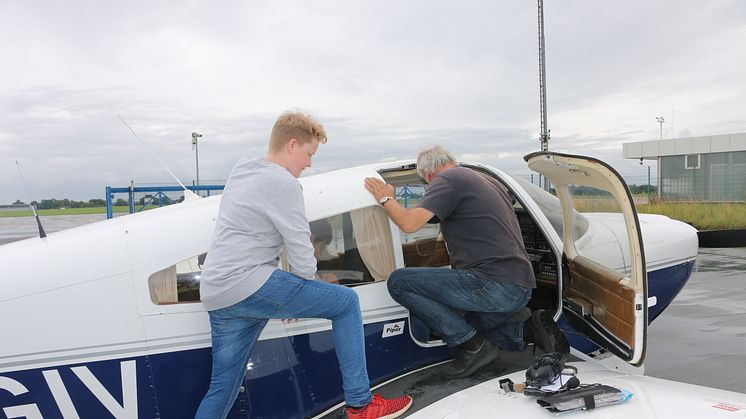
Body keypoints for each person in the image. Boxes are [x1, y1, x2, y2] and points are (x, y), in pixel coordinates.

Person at [196, 110, 412, 419]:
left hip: (218, 293)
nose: (309, 163)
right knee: (347, 303)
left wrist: (293, 298)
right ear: (293, 145)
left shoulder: (243, 168)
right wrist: (301, 290)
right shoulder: (282, 182)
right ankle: (361, 406)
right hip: (249, 283)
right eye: (309, 153)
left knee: (222, 386)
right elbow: (299, 249)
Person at [364, 145, 568, 380]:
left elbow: (409, 224)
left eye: (427, 184)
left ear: (428, 175)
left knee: (399, 282)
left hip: (493, 283)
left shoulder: (448, 178)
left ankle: (473, 348)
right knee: (464, 328)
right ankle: (529, 330)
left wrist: (385, 198)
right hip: (518, 288)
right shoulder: (485, 181)